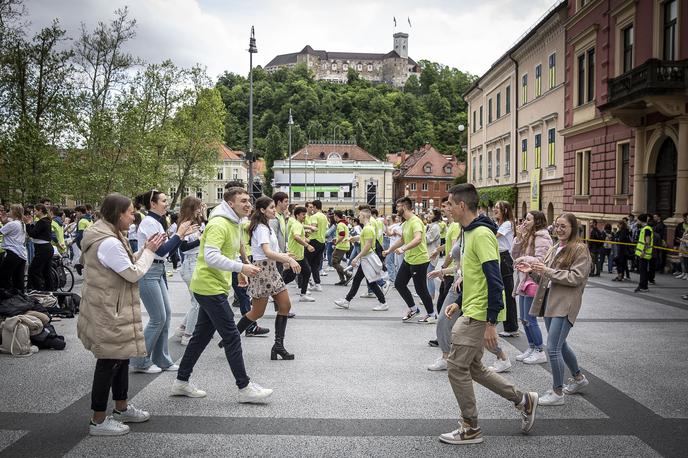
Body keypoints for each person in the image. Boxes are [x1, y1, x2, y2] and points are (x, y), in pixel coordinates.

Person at [440, 184, 538, 445]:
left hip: (479, 314)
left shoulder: (481, 234)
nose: (447, 209)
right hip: (470, 308)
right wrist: (459, 301)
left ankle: (470, 427)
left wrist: (491, 322)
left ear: (462, 206)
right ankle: (523, 399)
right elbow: (474, 275)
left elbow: (495, 281)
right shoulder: (468, 232)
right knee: (474, 367)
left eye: (449, 204)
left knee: (456, 367)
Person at [172, 187, 273, 403]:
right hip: (208, 287)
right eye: (243, 201)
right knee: (232, 336)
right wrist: (241, 268)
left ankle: (181, 381)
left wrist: (240, 270)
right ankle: (244, 387)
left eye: (249, 200)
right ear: (230, 203)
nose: (248, 204)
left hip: (213, 285)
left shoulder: (233, 221)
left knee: (200, 337)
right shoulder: (219, 223)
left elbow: (231, 250)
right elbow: (210, 257)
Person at [77, 193, 166, 436]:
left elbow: (125, 263)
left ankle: (121, 408)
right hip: (109, 310)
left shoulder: (112, 235)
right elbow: (133, 273)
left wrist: (145, 250)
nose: (133, 216)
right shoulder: (109, 242)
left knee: (121, 358)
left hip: (112, 307)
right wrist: (149, 251)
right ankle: (98, 420)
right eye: (129, 212)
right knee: (108, 362)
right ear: (117, 214)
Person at [519, 212, 591, 406]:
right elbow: (546, 278)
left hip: (565, 303)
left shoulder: (579, 249)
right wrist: (533, 272)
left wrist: (546, 270)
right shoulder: (555, 247)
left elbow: (576, 277)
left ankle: (557, 392)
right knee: (561, 345)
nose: (559, 230)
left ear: (573, 228)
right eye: (557, 226)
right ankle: (578, 379)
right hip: (551, 302)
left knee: (552, 348)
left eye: (563, 226)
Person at [130, 190, 197, 374]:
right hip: (149, 270)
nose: (167, 203)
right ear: (153, 203)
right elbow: (160, 251)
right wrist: (180, 234)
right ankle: (140, 360)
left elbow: (168, 250)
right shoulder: (149, 222)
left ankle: (162, 359)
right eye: (164, 200)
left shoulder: (157, 221)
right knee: (158, 317)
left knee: (166, 316)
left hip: (157, 270)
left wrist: (180, 235)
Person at [236, 196, 302, 360]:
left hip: (271, 269)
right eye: (271, 207)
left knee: (285, 306)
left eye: (274, 207)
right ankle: (231, 337)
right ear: (262, 210)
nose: (274, 210)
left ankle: (278, 346)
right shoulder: (261, 228)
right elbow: (266, 252)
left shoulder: (267, 226)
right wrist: (288, 259)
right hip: (263, 271)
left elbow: (271, 252)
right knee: (257, 312)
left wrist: (284, 256)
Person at [383, 197, 435, 322]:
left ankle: (432, 314)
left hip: (419, 260)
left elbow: (417, 239)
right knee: (399, 284)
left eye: (398, 207)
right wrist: (389, 250)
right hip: (409, 259)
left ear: (404, 207)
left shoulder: (415, 222)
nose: (396, 209)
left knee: (420, 289)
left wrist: (403, 249)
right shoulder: (406, 223)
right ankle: (413, 309)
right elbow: (402, 240)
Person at [511, 211, 552, 365]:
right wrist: (519, 238)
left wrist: (524, 259)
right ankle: (532, 346)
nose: (524, 222)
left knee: (530, 318)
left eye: (528, 219)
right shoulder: (528, 236)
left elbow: (541, 261)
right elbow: (514, 254)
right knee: (523, 318)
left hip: (533, 281)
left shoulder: (542, 238)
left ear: (537, 221)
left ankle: (540, 351)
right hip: (524, 280)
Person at [334, 206, 387, 311]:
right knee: (359, 280)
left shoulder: (367, 228)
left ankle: (383, 303)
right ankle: (347, 300)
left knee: (370, 282)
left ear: (363, 216)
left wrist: (356, 258)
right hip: (366, 258)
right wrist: (354, 238)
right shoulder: (368, 227)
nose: (358, 217)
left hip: (367, 258)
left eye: (360, 215)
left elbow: (367, 246)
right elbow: (365, 238)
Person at [175, 197, 204, 346]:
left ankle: (183, 328)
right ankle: (188, 334)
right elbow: (183, 247)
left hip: (196, 263)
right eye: (198, 207)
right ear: (192, 208)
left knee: (197, 301)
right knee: (197, 302)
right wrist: (201, 240)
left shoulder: (196, 223)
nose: (200, 209)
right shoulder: (184, 224)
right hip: (190, 263)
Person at [493, 201, 519, 338]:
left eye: (498, 208)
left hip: (504, 258)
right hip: (499, 257)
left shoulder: (507, 224)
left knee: (508, 292)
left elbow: (495, 236)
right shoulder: (499, 224)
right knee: (501, 290)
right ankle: (505, 323)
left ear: (505, 210)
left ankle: (512, 327)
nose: (495, 209)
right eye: (495, 207)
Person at [283, 206, 316, 302]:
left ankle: (303, 294)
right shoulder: (297, 225)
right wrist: (307, 245)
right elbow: (296, 237)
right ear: (297, 215)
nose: (304, 216)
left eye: (305, 214)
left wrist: (305, 239)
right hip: (295, 256)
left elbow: (297, 236)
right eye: (303, 214)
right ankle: (274, 291)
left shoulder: (298, 224)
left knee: (306, 272)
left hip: (299, 256)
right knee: (289, 276)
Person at [0, 204, 30, 290]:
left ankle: (6, 297)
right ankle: (20, 298)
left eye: (10, 210)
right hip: (21, 254)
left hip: (12, 253)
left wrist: (4, 221)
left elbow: (1, 231)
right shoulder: (21, 223)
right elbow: (7, 223)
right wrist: (4, 221)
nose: (8, 212)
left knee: (3, 277)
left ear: (14, 212)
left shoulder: (12, 224)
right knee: (18, 279)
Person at [25, 203, 53, 290]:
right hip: (46, 248)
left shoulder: (42, 221)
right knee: (46, 271)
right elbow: (38, 231)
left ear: (40, 210)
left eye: (35, 210)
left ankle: (38, 290)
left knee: (34, 270)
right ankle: (49, 290)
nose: (34, 212)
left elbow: (33, 234)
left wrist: (27, 224)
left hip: (43, 249)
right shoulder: (45, 221)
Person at [304, 200, 328, 292]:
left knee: (305, 261)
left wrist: (305, 231)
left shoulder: (314, 216)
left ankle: (305, 284)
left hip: (314, 241)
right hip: (322, 241)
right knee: (315, 264)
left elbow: (313, 228)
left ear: (314, 207)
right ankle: (317, 284)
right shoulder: (324, 217)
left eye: (312, 207)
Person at [425, 209, 443, 301]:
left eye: (431, 214)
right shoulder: (430, 225)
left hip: (432, 254)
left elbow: (428, 239)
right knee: (428, 275)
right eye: (428, 213)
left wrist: (419, 235)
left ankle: (431, 297)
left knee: (430, 276)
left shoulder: (435, 227)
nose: (428, 215)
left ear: (435, 215)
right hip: (428, 254)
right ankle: (429, 295)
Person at [332, 210, 352, 285]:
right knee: (337, 263)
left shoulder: (340, 224)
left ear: (336, 216)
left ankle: (348, 274)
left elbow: (342, 234)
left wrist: (336, 242)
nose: (333, 217)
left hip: (341, 246)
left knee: (334, 263)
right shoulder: (344, 223)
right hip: (345, 245)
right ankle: (342, 279)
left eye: (334, 216)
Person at [634, 214, 653, 293]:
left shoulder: (647, 229)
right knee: (642, 270)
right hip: (643, 254)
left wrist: (643, 251)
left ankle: (643, 286)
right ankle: (642, 285)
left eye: (637, 220)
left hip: (644, 254)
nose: (637, 221)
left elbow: (647, 242)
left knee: (643, 271)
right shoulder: (644, 228)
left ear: (641, 220)